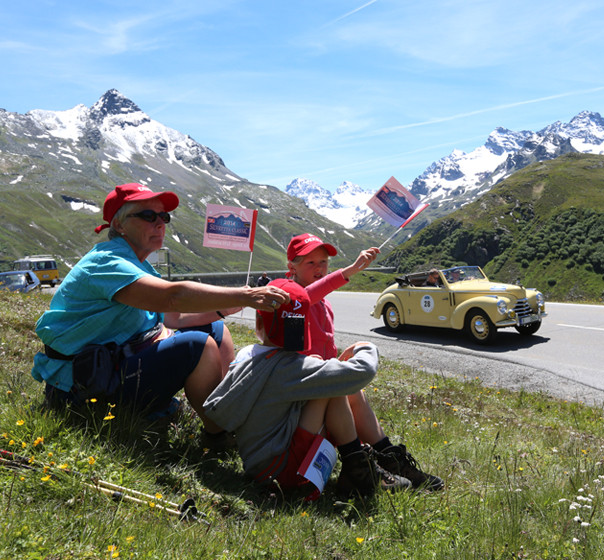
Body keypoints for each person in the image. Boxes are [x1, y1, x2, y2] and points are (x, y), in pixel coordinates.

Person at [31, 183, 291, 443]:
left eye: (164, 217)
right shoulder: (107, 263)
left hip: (111, 364)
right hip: (86, 385)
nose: (160, 223)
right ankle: (219, 434)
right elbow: (173, 298)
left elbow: (173, 318)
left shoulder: (136, 263)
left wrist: (225, 308)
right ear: (119, 226)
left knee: (216, 330)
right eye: (148, 216)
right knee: (196, 346)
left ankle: (224, 410)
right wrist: (244, 295)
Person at [203, 279, 411, 498]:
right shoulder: (291, 368)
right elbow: (362, 372)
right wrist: (366, 347)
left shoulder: (248, 357)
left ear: (259, 325)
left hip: (258, 466)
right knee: (334, 388)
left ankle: (366, 463)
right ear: (304, 326)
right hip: (281, 474)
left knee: (330, 386)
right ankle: (357, 469)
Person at [284, 233, 444, 490]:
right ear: (291, 267)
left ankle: (387, 458)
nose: (319, 268)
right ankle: (364, 463)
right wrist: (351, 270)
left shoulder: (323, 304)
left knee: (349, 387)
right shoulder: (288, 297)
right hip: (296, 398)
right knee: (339, 384)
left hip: (316, 389)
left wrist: (339, 356)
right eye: (310, 263)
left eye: (323, 262)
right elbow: (303, 300)